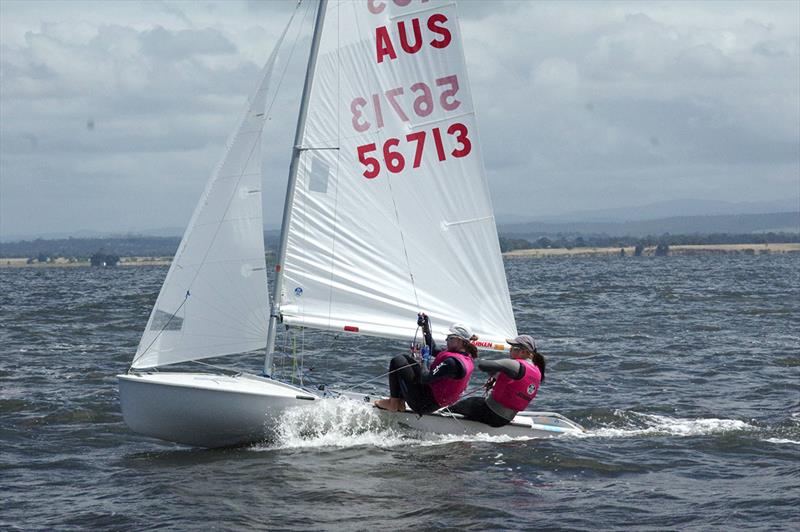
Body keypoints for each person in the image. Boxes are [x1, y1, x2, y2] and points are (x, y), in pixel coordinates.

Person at [374, 313, 478, 414]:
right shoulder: (463, 356)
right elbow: (433, 348)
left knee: (398, 361)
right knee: (405, 360)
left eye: (450, 338)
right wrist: (425, 327)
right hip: (429, 399)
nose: (446, 340)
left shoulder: (453, 363)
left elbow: (425, 378)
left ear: (460, 341)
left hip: (423, 404)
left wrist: (425, 358)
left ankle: (393, 404)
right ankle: (399, 403)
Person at [449, 334, 545, 427]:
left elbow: (483, 365)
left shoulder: (514, 365)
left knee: (470, 402)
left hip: (492, 414)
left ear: (523, 352)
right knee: (477, 403)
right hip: (506, 419)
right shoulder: (537, 370)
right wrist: (498, 377)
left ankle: (440, 420)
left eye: (512, 348)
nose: (510, 351)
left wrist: (496, 373)